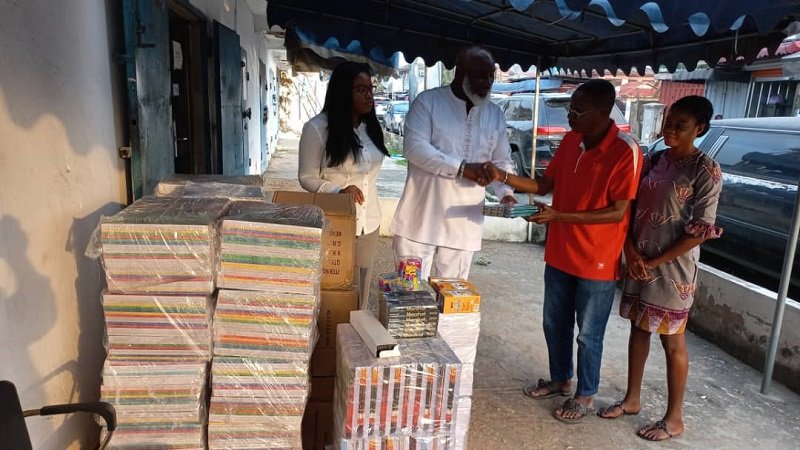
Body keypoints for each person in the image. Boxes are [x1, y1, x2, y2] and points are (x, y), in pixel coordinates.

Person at [482, 79, 642, 423]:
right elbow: (545, 184)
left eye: (577, 111)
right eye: (570, 109)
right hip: (560, 252)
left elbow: (617, 212)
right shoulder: (571, 140)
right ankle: (560, 379)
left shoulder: (625, 150)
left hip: (596, 259)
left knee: (589, 334)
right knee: (554, 322)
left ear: (603, 112)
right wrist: (503, 177)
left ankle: (585, 394)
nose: (570, 116)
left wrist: (559, 216)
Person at [596, 96, 722, 442]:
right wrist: (631, 252)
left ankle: (674, 418)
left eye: (680, 126)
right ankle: (632, 399)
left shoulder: (705, 171)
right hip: (639, 261)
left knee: (672, 341)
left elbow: (700, 231)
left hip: (672, 270)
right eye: (668, 123)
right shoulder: (654, 160)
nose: (670, 130)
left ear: (699, 129)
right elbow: (628, 207)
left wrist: (652, 262)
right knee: (639, 329)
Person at [390, 45, 516, 281]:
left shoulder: (495, 114)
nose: (488, 82)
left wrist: (505, 193)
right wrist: (463, 169)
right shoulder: (428, 102)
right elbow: (415, 148)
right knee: (409, 296)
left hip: (464, 225)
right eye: (481, 76)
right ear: (460, 73)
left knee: (454, 299)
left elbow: (501, 161)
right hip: (419, 220)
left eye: (491, 76)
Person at [298, 61, 389, 308]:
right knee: (333, 292)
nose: (369, 96)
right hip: (336, 222)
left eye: (370, 89)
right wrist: (338, 191)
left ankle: (355, 331)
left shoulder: (371, 128)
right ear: (342, 92)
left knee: (360, 293)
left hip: (369, 222)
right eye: (361, 90)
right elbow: (306, 177)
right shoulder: (317, 129)